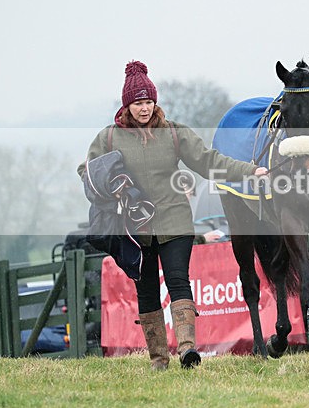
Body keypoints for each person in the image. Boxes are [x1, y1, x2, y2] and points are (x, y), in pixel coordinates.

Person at [79, 60, 267, 370]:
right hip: (135, 226)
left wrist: (250, 171)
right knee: (147, 288)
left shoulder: (174, 133)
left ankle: (187, 350)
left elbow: (209, 161)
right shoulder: (109, 137)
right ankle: (158, 358)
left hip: (175, 221)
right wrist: (112, 185)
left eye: (149, 101)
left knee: (179, 281)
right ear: (127, 104)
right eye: (139, 102)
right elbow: (87, 171)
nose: (145, 108)